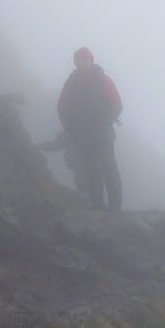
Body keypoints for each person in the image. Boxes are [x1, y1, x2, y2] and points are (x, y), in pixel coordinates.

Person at [56, 47, 122, 210]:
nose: (83, 62)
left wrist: (105, 122)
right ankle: (99, 207)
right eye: (80, 60)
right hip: (84, 136)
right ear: (76, 63)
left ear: (91, 60)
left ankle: (115, 208)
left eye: (86, 59)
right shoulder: (72, 83)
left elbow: (117, 104)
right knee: (93, 171)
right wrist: (70, 128)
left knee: (108, 169)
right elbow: (62, 108)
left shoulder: (102, 80)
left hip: (102, 134)